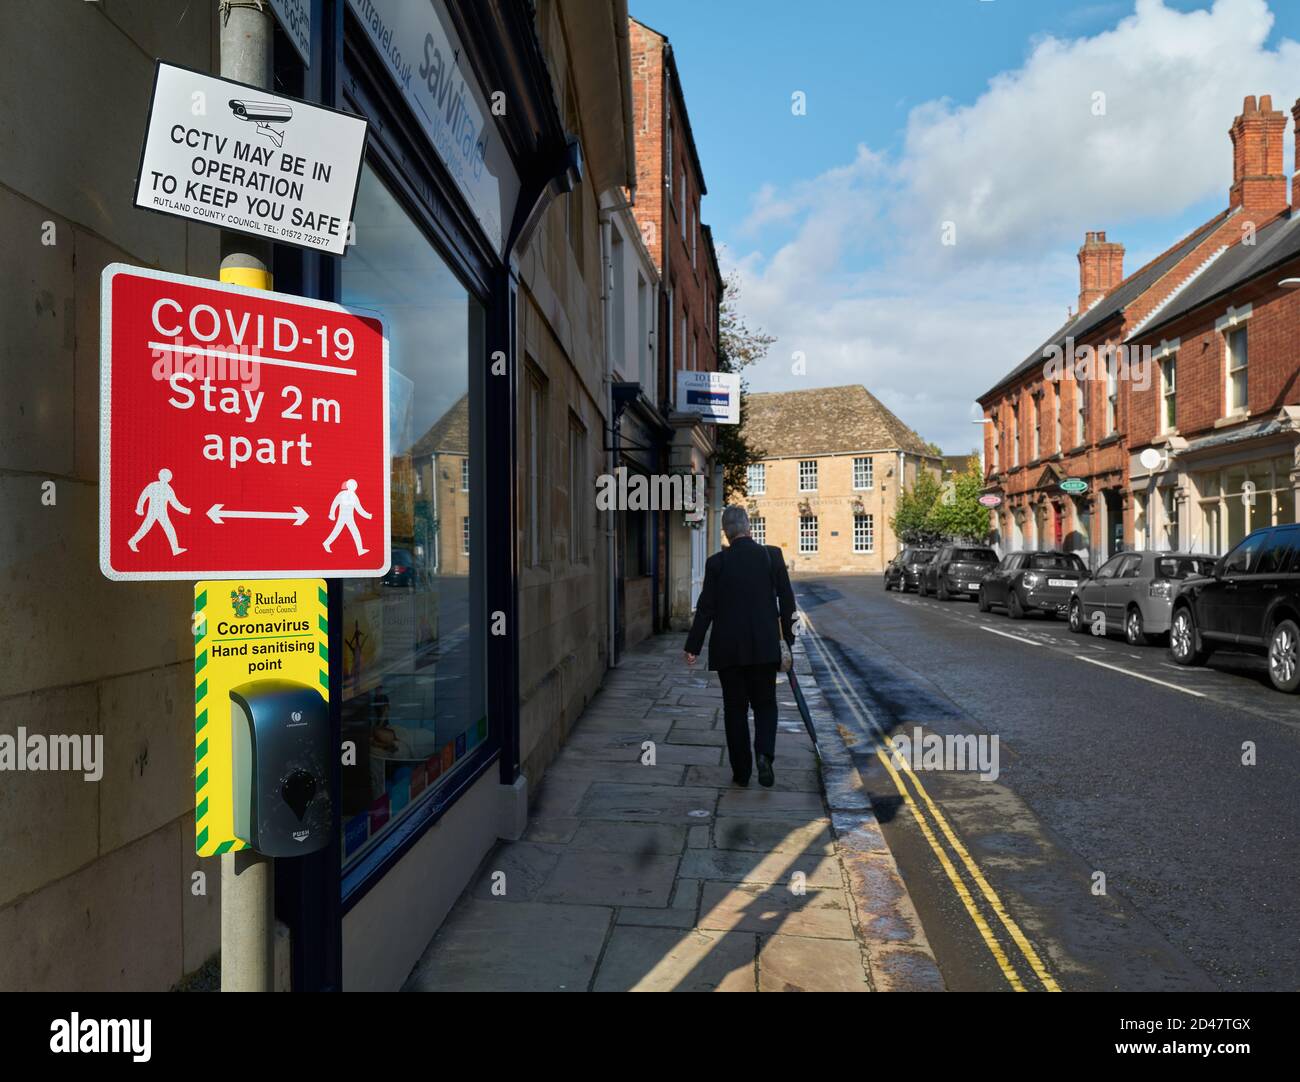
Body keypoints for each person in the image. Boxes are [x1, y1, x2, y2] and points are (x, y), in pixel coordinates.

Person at [684, 505, 796, 787]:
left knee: (735, 710)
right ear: (748, 527)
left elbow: (706, 607)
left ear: (726, 532)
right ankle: (764, 755)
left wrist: (693, 646)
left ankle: (742, 772)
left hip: (728, 650)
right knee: (766, 704)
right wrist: (789, 640)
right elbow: (788, 601)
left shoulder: (716, 563)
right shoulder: (772, 556)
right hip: (764, 647)